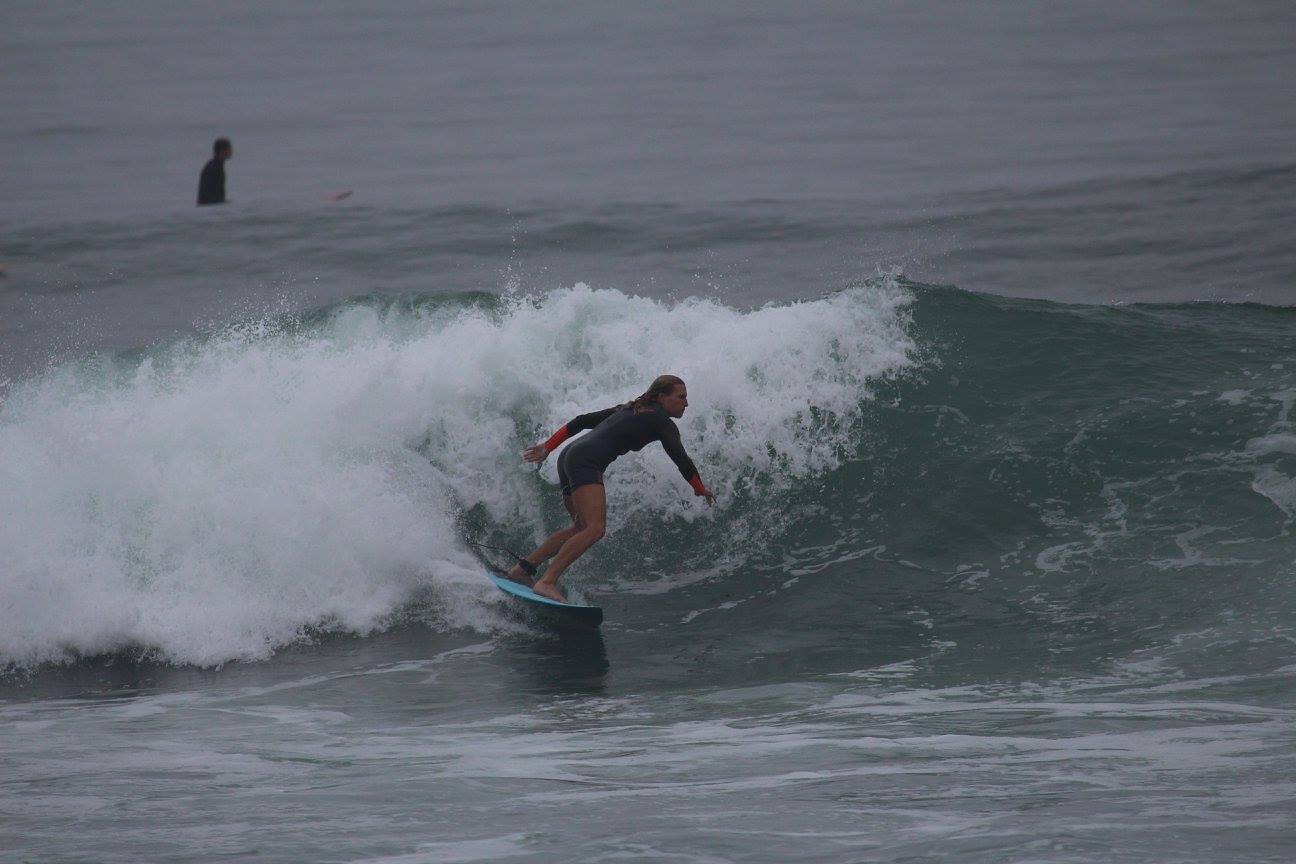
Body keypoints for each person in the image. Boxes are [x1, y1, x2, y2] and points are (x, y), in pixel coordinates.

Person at [507, 374, 715, 601]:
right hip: (585, 461)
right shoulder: (662, 422)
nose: (686, 403)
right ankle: (547, 582)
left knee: (581, 528)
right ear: (661, 397)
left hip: (568, 456)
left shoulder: (628, 408)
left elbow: (580, 421)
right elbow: (681, 459)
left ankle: (522, 570)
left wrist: (548, 447)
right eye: (681, 397)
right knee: (594, 529)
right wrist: (699, 488)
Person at [197, 138, 233, 205]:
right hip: (209, 205)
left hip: (206, 204)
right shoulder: (215, 167)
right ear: (222, 151)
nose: (231, 151)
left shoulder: (214, 165)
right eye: (229, 149)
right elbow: (216, 192)